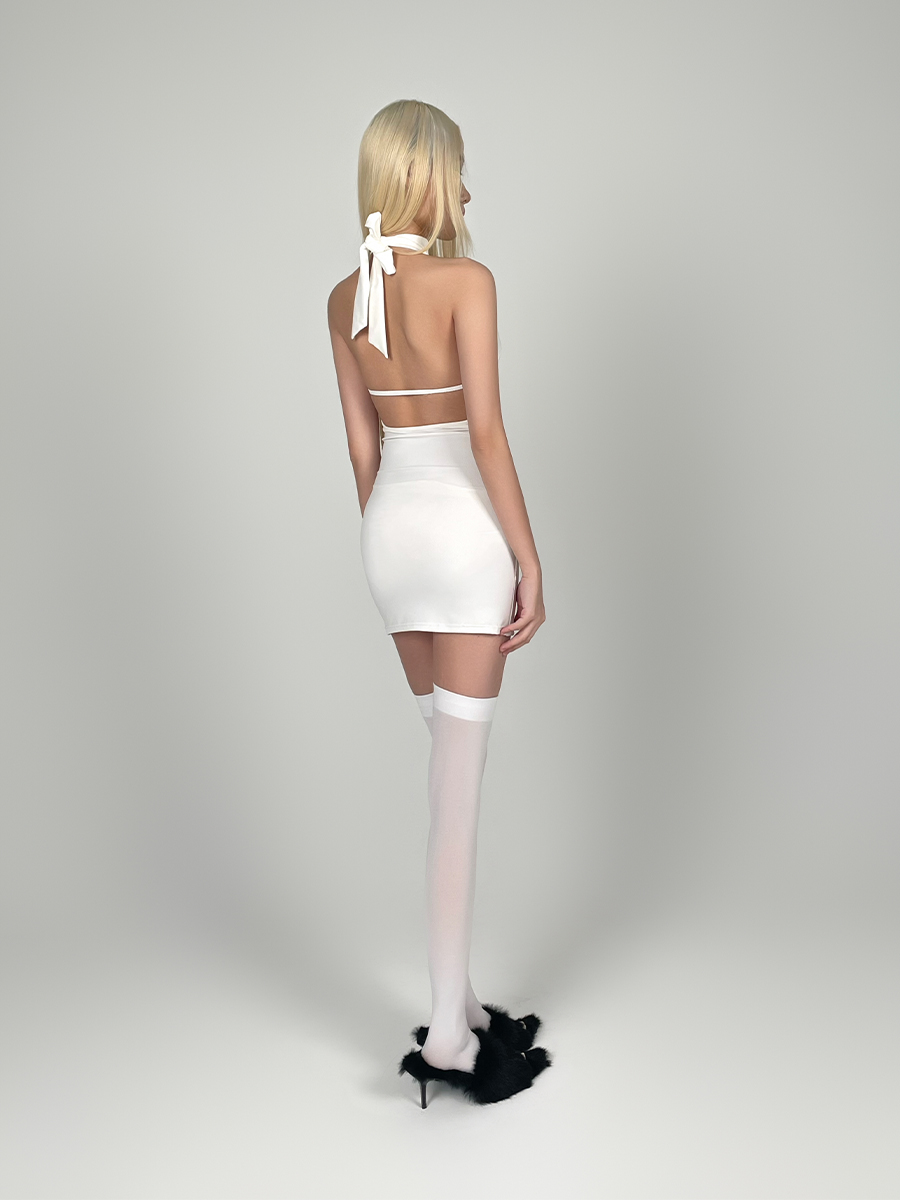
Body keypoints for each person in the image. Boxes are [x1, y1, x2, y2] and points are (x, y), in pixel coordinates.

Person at [327, 99, 551, 1107]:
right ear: (424, 178)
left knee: (443, 768)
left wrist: (393, 540)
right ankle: (452, 1038)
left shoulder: (345, 297)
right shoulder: (468, 280)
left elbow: (361, 451)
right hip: (461, 535)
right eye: (457, 169)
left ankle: (458, 1002)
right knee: (456, 794)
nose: (468, 188)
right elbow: (487, 435)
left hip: (390, 535)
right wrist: (528, 558)